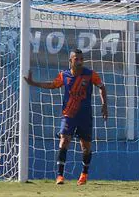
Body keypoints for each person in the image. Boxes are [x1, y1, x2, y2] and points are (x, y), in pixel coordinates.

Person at [24, 49, 108, 186]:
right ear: (71, 61)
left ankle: (84, 175)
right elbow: (52, 85)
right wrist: (34, 83)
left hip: (85, 116)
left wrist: (104, 105)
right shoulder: (64, 75)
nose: (80, 61)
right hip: (69, 115)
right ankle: (60, 176)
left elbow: (102, 87)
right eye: (77, 59)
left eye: (82, 59)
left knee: (85, 147)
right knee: (64, 141)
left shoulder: (90, 74)